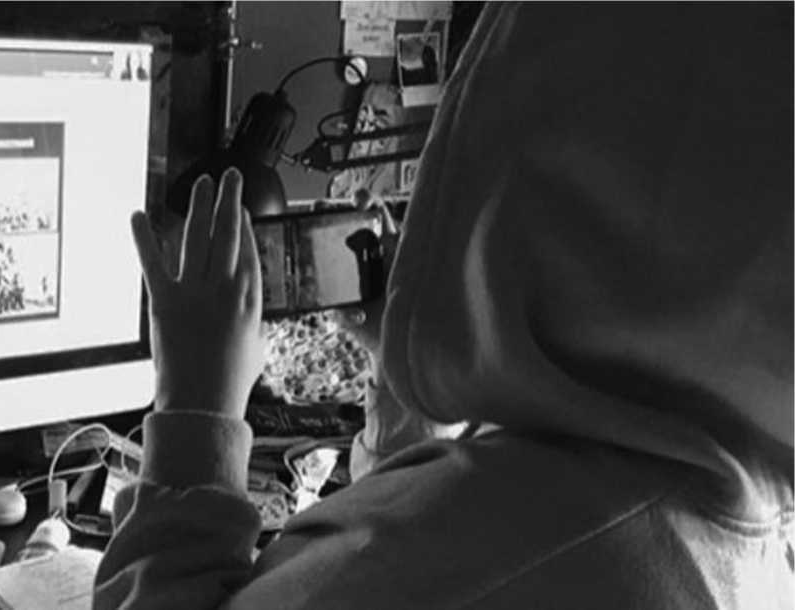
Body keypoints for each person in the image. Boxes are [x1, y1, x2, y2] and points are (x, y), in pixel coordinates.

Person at [96, 4, 792, 609]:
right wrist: (405, 379)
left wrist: (197, 404)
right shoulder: (689, 501)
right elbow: (397, 546)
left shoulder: (533, 549)